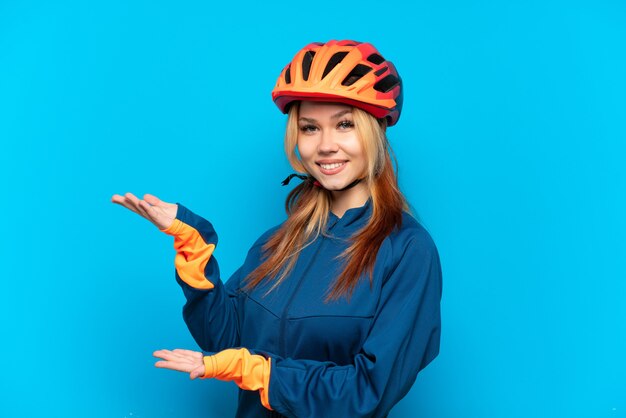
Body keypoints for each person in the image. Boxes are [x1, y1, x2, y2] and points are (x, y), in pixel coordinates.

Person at [111, 39, 442, 418]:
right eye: (310, 127)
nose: (326, 146)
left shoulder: (408, 251)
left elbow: (368, 391)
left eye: (345, 125)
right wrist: (192, 243)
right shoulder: (278, 242)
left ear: (376, 131)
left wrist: (257, 371)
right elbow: (225, 338)